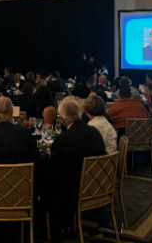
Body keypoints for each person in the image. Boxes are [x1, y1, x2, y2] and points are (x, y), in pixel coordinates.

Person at [46, 100, 106, 241]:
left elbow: (52, 172)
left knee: (45, 183)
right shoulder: (94, 132)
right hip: (98, 185)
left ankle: (51, 229)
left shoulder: (63, 139)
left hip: (74, 191)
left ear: (62, 119)